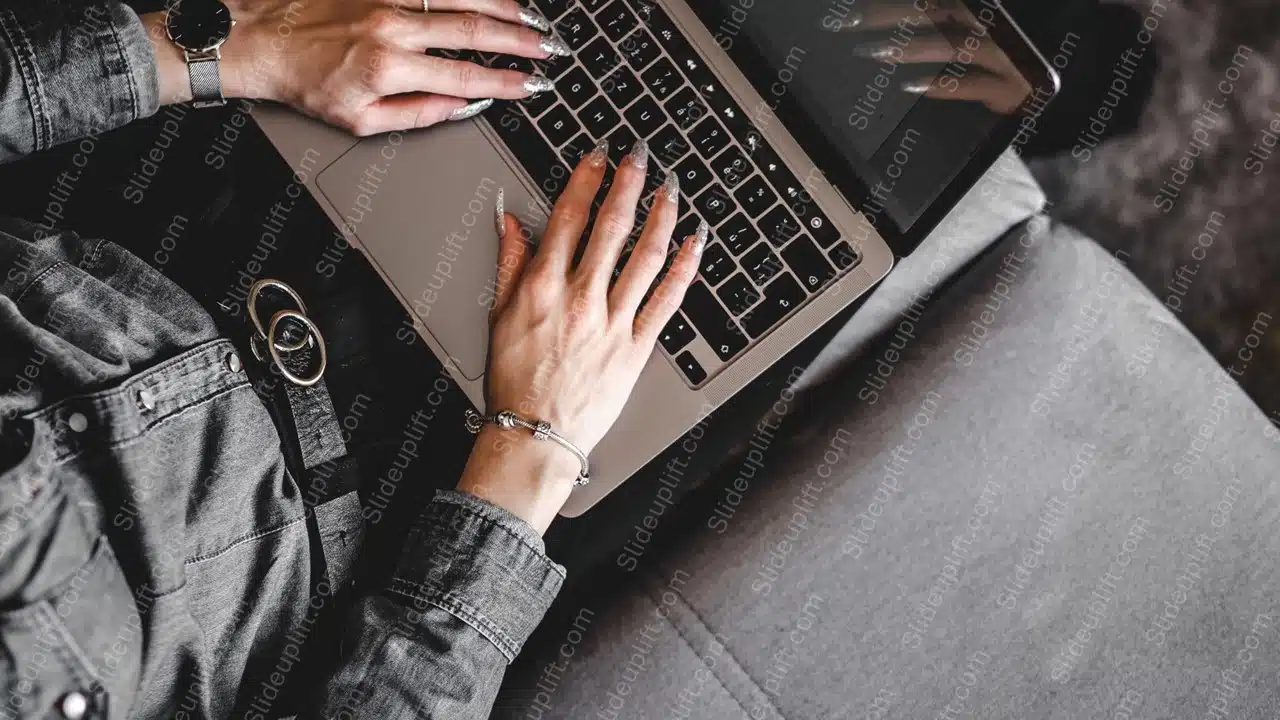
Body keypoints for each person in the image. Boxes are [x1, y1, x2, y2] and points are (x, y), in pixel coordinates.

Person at [0, 0, 707, 716]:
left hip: (135, 211)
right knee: (727, 378)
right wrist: (530, 451)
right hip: (380, 538)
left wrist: (211, 44)